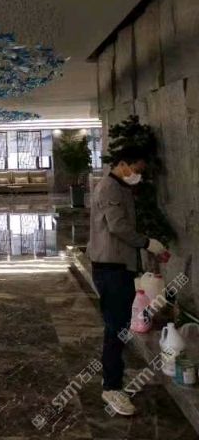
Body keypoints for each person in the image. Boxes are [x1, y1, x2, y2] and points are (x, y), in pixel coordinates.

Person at [87, 146, 165, 416]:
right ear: (122, 164)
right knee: (116, 327)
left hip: (118, 266)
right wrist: (147, 243)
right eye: (136, 169)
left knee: (118, 326)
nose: (137, 175)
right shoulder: (109, 188)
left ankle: (113, 378)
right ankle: (111, 388)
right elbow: (118, 226)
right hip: (111, 268)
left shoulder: (120, 188)